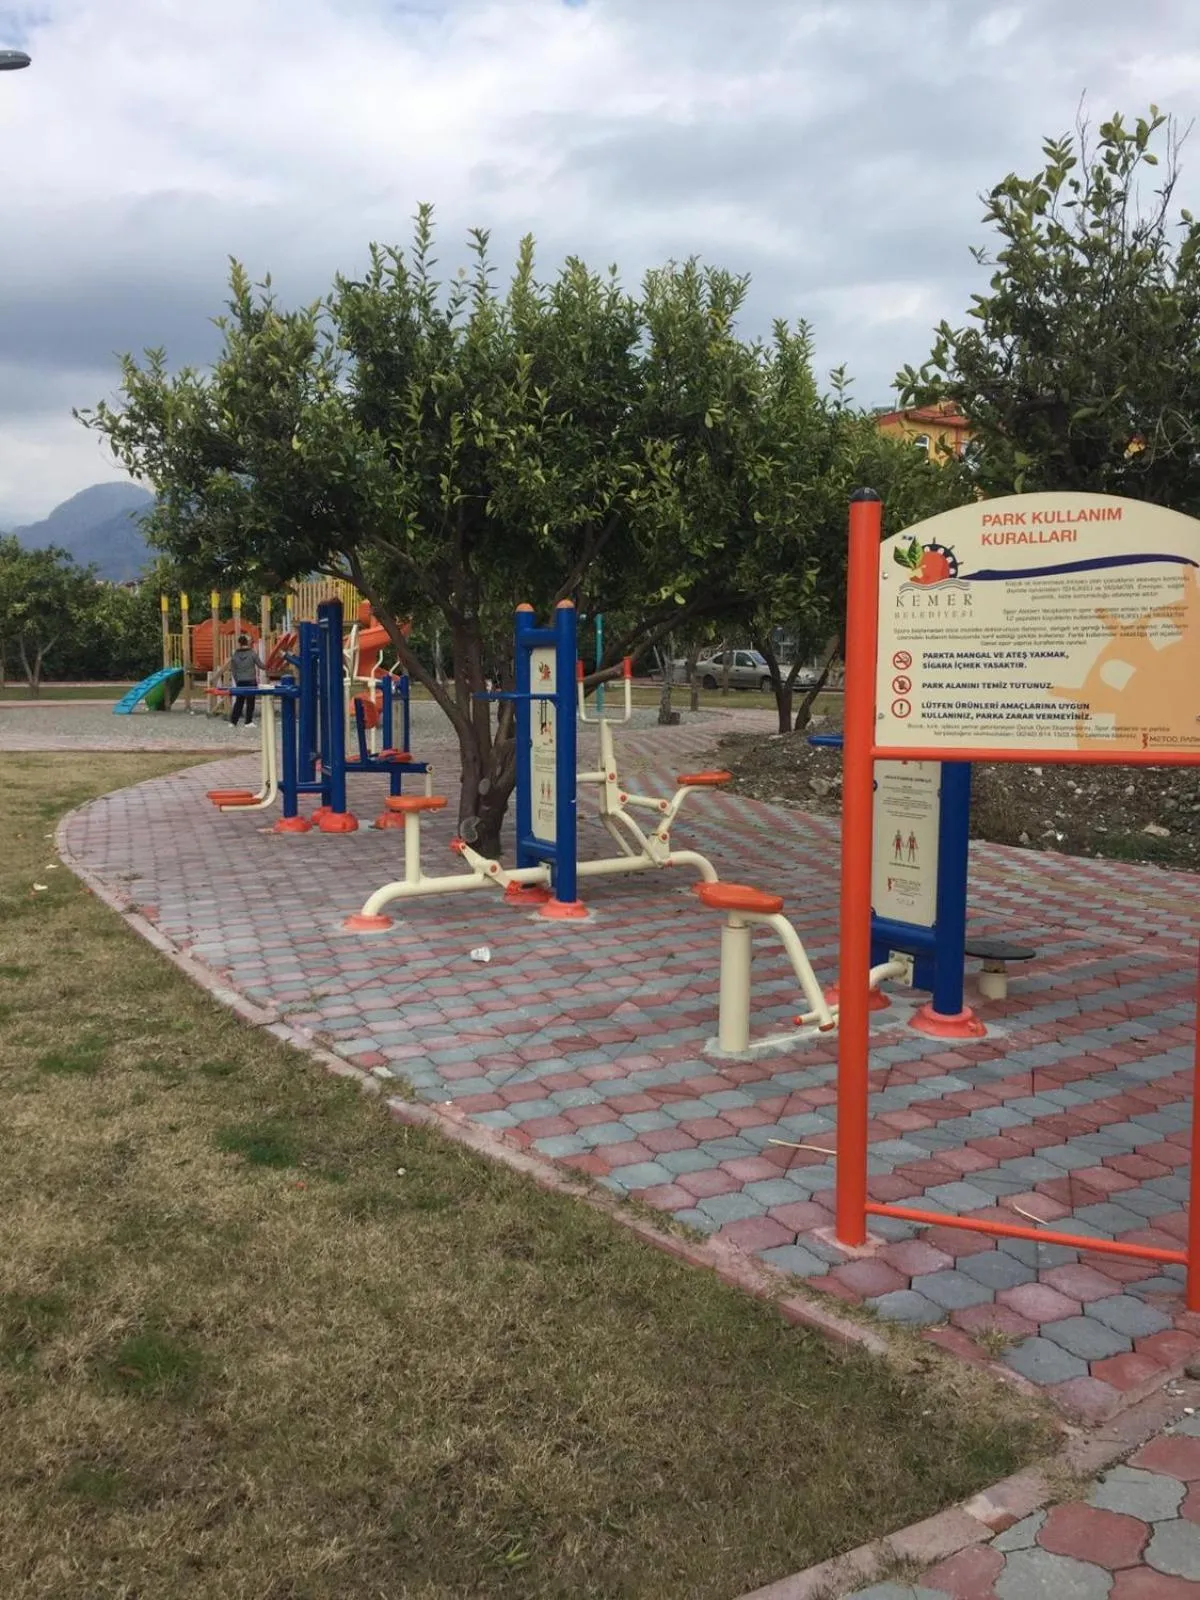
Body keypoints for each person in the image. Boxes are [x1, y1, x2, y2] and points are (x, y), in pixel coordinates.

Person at [228, 634, 264, 728]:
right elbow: (261, 665)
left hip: (240, 680)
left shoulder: (235, 654)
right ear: (247, 642)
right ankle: (248, 722)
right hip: (251, 680)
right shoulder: (252, 653)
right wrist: (269, 665)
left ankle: (233, 721)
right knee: (250, 702)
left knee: (239, 701)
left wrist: (237, 680)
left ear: (239, 643)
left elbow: (233, 670)